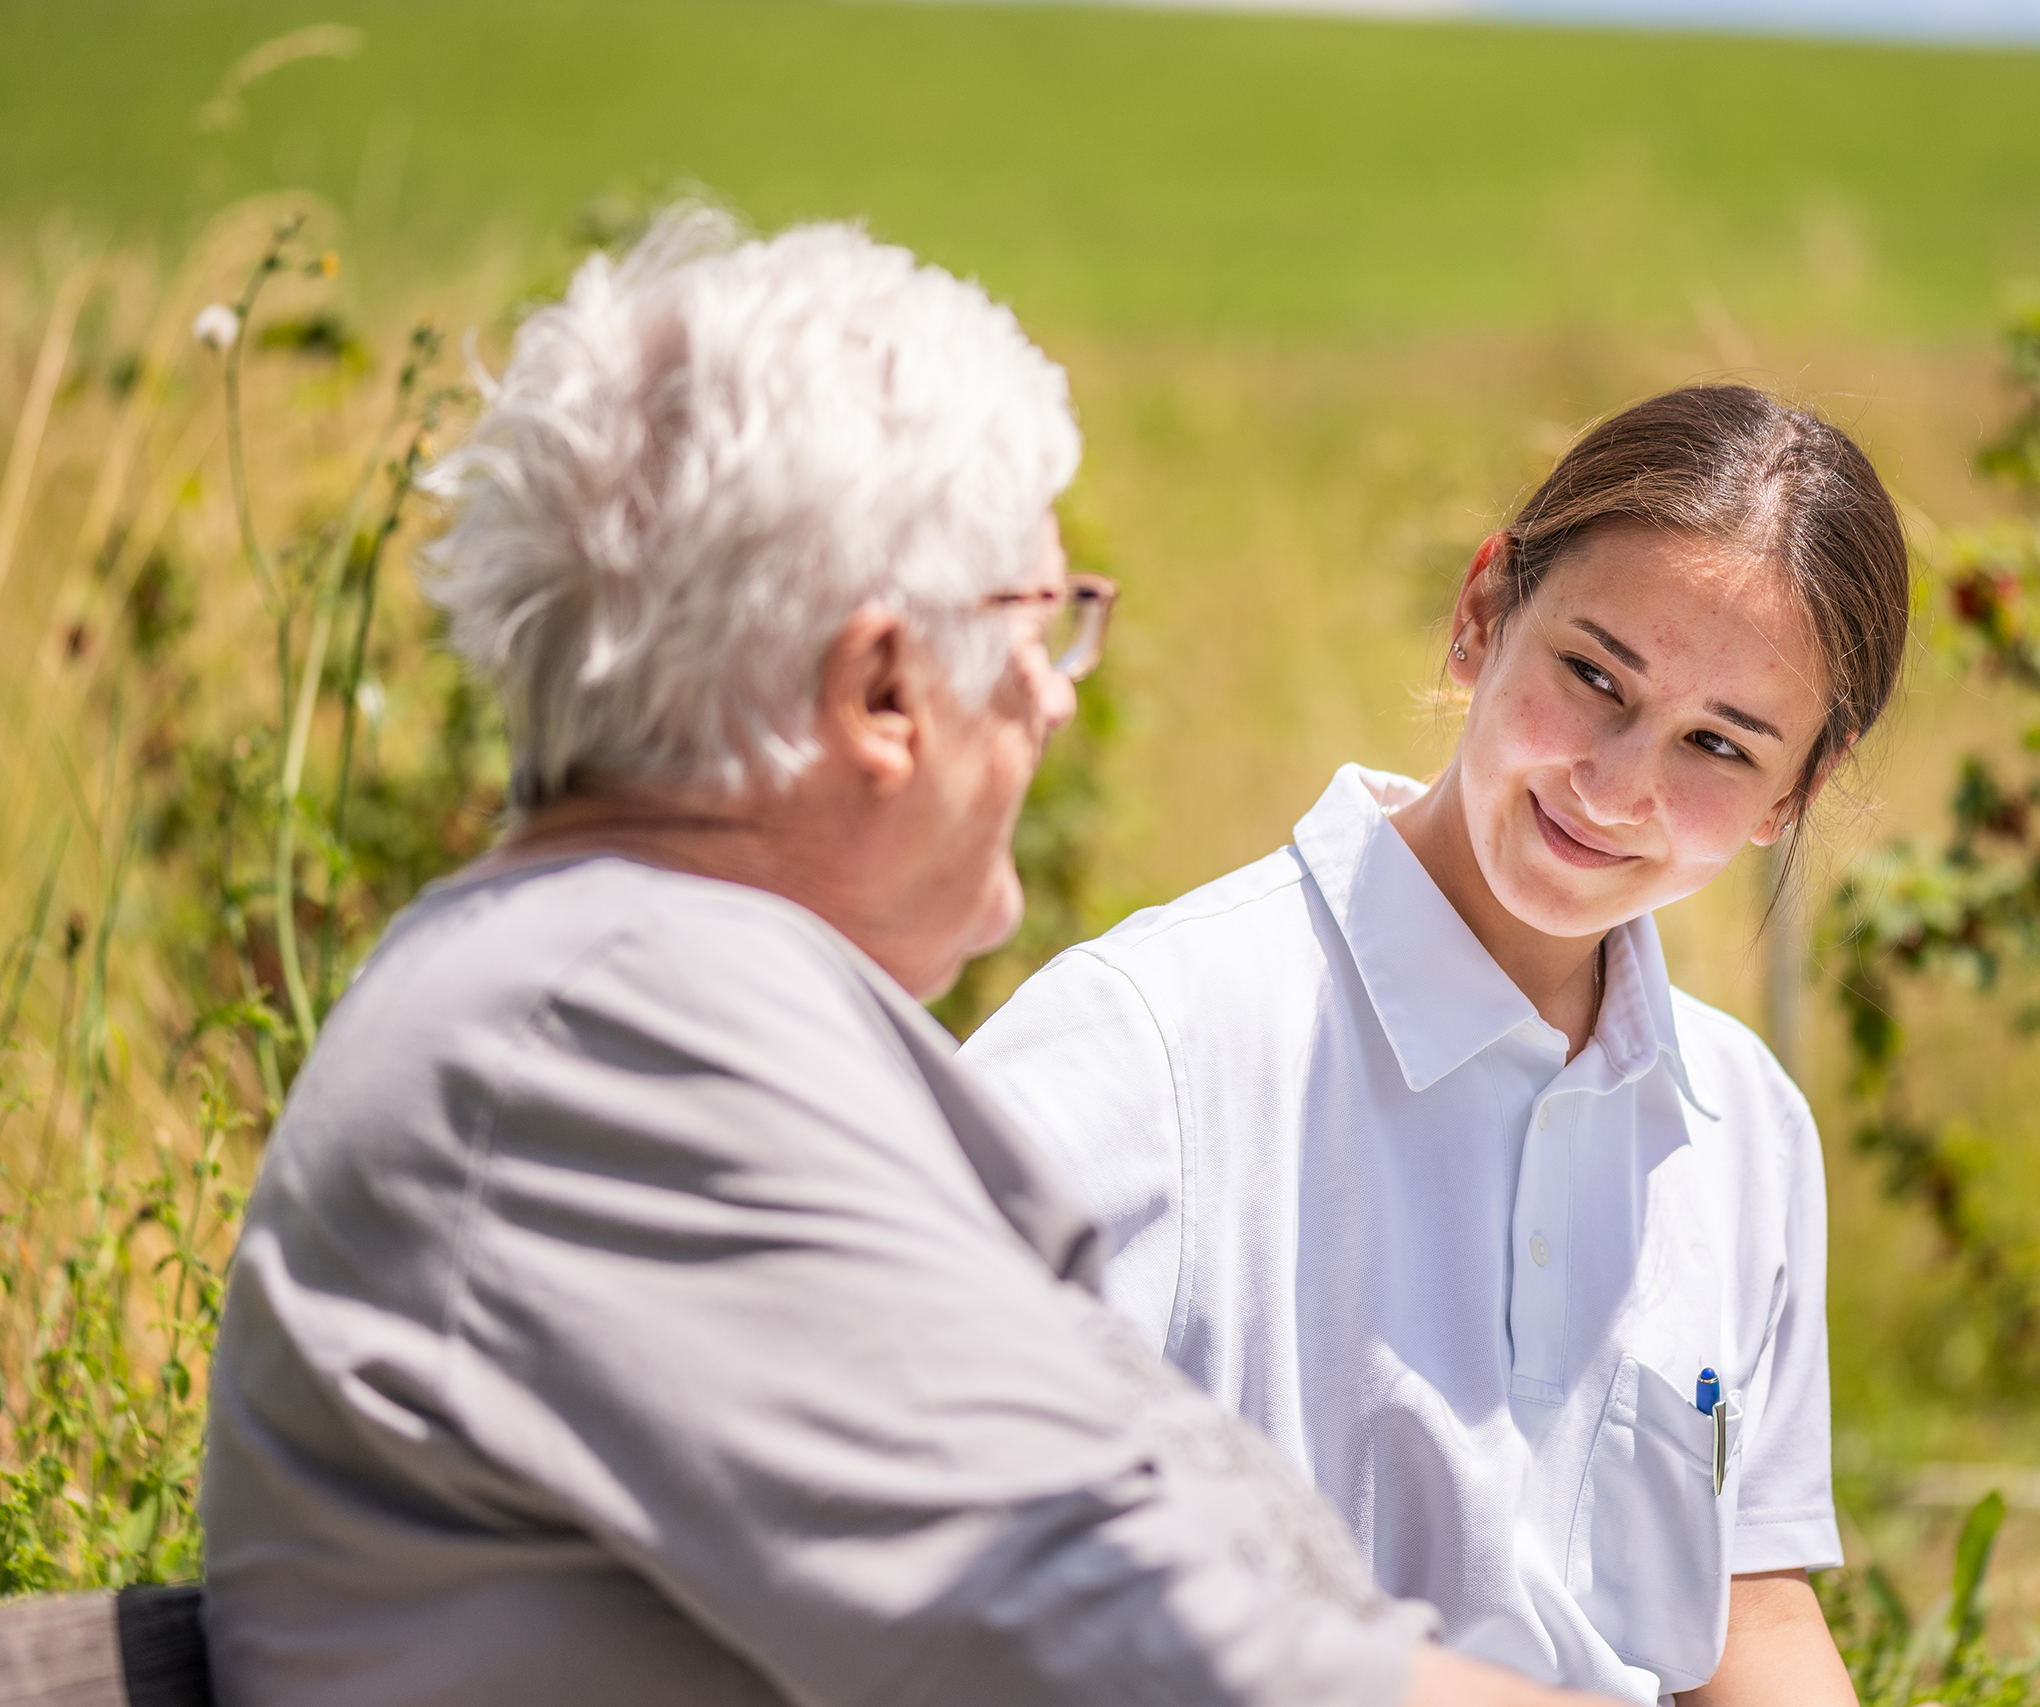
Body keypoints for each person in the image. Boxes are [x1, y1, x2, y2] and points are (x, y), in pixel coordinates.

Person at [198, 209, 1618, 1707]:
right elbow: (1141, 1646)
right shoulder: (607, 1028)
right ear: (883, 689)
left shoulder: (635, 987)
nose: (1059, 700)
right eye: (1044, 623)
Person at [960, 384, 1909, 1704]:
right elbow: (912, 1519)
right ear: (1482, 614)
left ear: (1795, 789)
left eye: (1717, 745)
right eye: (1595, 678)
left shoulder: (1740, 1124)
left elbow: (1748, 1608)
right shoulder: (1152, 1047)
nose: (1620, 786)